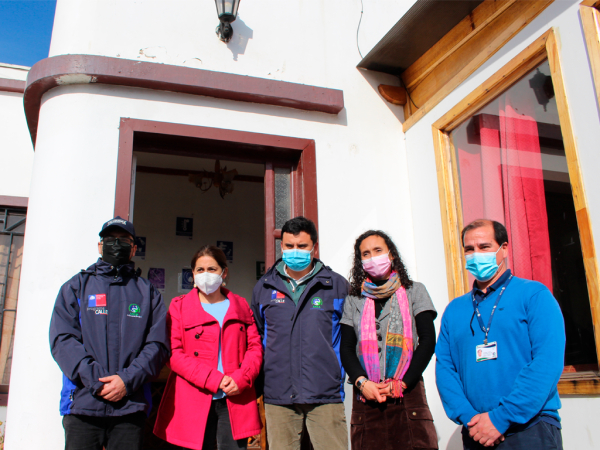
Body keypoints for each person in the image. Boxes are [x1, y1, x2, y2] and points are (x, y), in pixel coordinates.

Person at [436, 219, 566, 450]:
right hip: (477, 432)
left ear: (504, 248)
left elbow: (547, 362)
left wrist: (500, 418)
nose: (476, 254)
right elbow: (445, 369)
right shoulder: (454, 310)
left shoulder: (534, 295)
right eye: (469, 249)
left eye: (484, 247)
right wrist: (469, 418)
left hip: (529, 428)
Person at [49, 216, 169, 450]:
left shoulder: (148, 293)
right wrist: (96, 381)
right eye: (110, 239)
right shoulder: (76, 287)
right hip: (83, 404)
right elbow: (62, 340)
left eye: (123, 239)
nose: (116, 244)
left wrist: (126, 380)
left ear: (134, 248)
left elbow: (158, 344)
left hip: (130, 406)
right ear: (99, 245)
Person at [251, 216, 348, 450]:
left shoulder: (336, 285)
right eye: (289, 246)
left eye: (302, 246)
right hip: (279, 395)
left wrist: (338, 377)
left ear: (314, 247)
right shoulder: (264, 287)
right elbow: (257, 338)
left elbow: (348, 339)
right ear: (281, 246)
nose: (295, 251)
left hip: (325, 393)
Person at [154, 245, 262, 450]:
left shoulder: (241, 305)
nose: (206, 275)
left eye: (212, 269)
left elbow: (255, 348)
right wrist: (213, 378)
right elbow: (173, 353)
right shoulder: (179, 306)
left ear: (224, 272)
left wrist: (242, 378)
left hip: (234, 397)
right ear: (193, 274)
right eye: (200, 270)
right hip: (193, 397)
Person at [341, 230, 438, 450]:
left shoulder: (415, 291)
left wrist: (403, 382)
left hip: (407, 396)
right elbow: (346, 348)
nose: (372, 257)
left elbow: (428, 340)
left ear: (391, 254)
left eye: (378, 250)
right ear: (360, 261)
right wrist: (362, 383)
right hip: (367, 399)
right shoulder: (354, 300)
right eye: (366, 253)